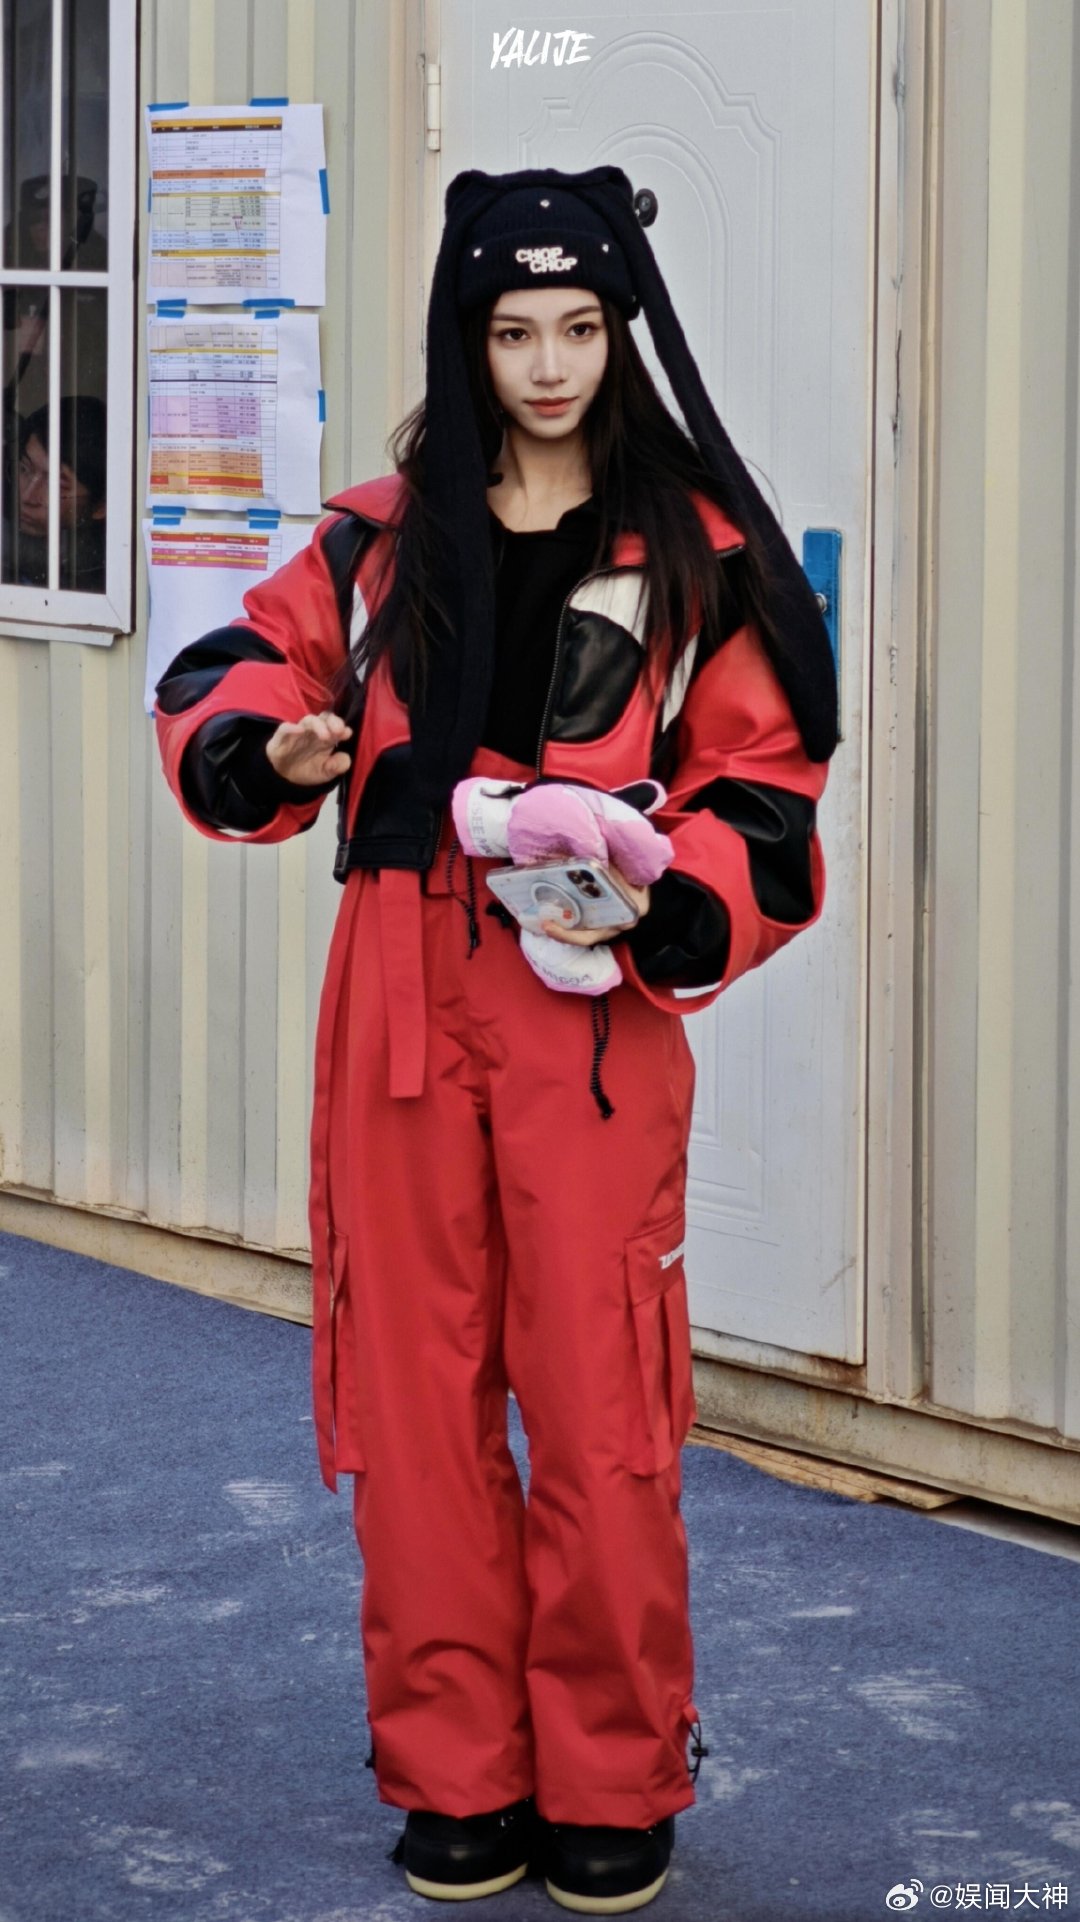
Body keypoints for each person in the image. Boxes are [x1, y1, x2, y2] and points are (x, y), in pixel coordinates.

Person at [153, 165, 839, 1912]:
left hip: (585, 1017)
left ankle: (614, 1772)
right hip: (399, 996)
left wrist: (672, 902)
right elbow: (226, 668)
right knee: (415, 1398)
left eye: (580, 327)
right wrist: (273, 747)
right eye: (514, 329)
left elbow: (765, 785)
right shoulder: (377, 540)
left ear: (620, 336)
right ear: (468, 341)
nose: (547, 364)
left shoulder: (697, 549)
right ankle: (455, 1767)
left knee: (603, 1405)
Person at [4, 397, 107, 592]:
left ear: (101, 506)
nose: (26, 497)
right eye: (24, 469)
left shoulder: (104, 578)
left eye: (55, 484)